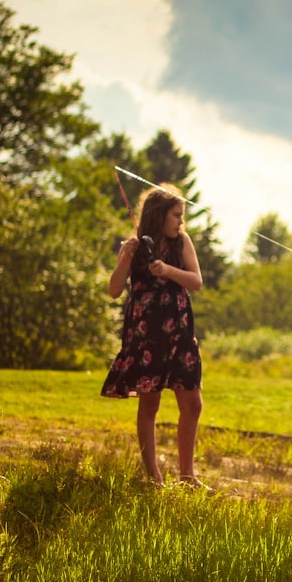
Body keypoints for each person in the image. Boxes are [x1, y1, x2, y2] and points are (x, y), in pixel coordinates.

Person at [101, 184, 206, 488]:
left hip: (180, 335)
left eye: (182, 216)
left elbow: (196, 281)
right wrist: (124, 258)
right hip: (146, 336)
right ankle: (153, 478)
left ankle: (188, 477)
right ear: (159, 215)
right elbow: (114, 290)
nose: (180, 222)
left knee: (193, 404)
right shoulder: (136, 246)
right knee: (150, 405)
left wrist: (167, 270)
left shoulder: (182, 242)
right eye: (176, 215)